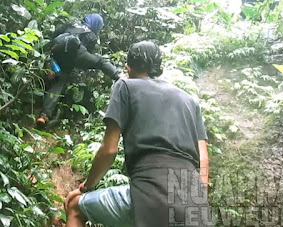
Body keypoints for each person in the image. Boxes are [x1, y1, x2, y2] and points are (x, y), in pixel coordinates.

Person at [64, 41, 211, 227]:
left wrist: (86, 187)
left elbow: (109, 150)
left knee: (75, 207)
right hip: (194, 203)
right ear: (161, 69)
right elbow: (203, 159)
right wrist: (198, 197)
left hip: (150, 194)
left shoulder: (125, 86)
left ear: (128, 68)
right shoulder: (190, 101)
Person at [37, 13, 121, 127]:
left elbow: (54, 36)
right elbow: (86, 55)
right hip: (76, 54)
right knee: (101, 62)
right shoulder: (91, 34)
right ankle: (118, 75)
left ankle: (43, 116)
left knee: (59, 81)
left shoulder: (71, 25)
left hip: (57, 53)